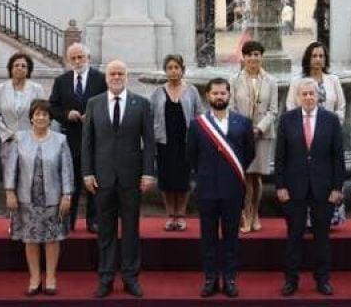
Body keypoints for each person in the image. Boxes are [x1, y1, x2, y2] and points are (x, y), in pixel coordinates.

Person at [82, 60, 157, 298]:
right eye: (112, 73)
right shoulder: (93, 103)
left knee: (131, 231)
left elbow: (149, 143)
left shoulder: (141, 104)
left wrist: (147, 172)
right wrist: (87, 172)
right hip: (102, 178)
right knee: (105, 232)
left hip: (131, 179)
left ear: (127, 76)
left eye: (120, 73)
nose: (116, 77)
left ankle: (130, 278)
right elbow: (88, 142)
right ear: (106, 78)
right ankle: (105, 278)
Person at [186, 78, 255, 298]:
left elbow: (249, 153)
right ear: (208, 96)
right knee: (208, 237)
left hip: (233, 190)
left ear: (229, 95)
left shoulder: (243, 123)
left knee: (231, 238)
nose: (219, 97)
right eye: (215, 93)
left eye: (223, 93)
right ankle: (210, 279)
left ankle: (230, 279)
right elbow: (192, 156)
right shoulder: (197, 124)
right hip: (206, 190)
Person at [275, 81, 344, 297]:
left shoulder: (331, 120)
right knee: (294, 237)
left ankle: (322, 280)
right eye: (304, 94)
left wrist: (337, 187)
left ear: (318, 96)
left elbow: (338, 157)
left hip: (323, 189)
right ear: (297, 97)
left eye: (312, 94)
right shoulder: (287, 120)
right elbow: (280, 157)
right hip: (294, 189)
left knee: (322, 238)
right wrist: (280, 186)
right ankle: (291, 281)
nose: (308, 97)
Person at [3, 99, 74, 296]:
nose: (41, 117)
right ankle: (34, 278)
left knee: (52, 238)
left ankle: (51, 277)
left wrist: (67, 195)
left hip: (53, 198)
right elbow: (11, 168)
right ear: (31, 117)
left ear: (50, 118)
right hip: (26, 197)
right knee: (30, 238)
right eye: (37, 114)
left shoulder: (60, 140)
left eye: (45, 114)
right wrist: (9, 192)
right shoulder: (20, 138)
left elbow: (67, 170)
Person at [287, 41, 347, 227]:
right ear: (308, 58)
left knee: (327, 176)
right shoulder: (297, 81)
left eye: (321, 56)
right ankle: (305, 221)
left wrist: (331, 128)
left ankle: (328, 219)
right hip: (303, 139)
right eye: (314, 56)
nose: (318, 59)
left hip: (327, 139)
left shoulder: (333, 80)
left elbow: (342, 107)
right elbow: (290, 107)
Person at [48, 42, 106, 232]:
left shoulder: (101, 79)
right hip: (70, 140)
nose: (77, 61)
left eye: (80, 57)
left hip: (95, 139)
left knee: (94, 182)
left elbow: (108, 103)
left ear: (88, 58)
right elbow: (52, 107)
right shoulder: (61, 81)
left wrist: (94, 114)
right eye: (73, 58)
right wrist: (66, 114)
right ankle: (68, 221)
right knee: (69, 182)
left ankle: (94, 221)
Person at [230, 40, 278, 234]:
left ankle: (255, 212)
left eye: (256, 54)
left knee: (257, 176)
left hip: (262, 134)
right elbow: (231, 107)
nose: (253, 58)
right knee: (246, 177)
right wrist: (243, 128)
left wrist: (259, 128)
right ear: (244, 57)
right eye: (249, 55)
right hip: (241, 136)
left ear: (261, 57)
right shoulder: (234, 80)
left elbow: (273, 110)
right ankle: (246, 214)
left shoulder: (271, 81)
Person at [150, 53, 202, 231]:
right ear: (165, 71)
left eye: (176, 67)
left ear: (182, 70)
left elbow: (199, 116)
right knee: (165, 180)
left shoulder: (192, 91)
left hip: (185, 143)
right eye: (169, 68)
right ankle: (170, 215)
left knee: (184, 180)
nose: (173, 71)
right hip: (164, 143)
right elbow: (151, 117)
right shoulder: (157, 92)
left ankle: (181, 215)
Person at [0, 51, 45, 216]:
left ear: (28, 69)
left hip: (31, 142)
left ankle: (29, 214)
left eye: (24, 66)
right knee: (9, 181)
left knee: (29, 180)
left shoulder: (37, 89)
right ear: (11, 68)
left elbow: (43, 113)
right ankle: (11, 217)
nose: (20, 68)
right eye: (16, 65)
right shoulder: (0, 89)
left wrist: (33, 135)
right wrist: (8, 134)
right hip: (8, 142)